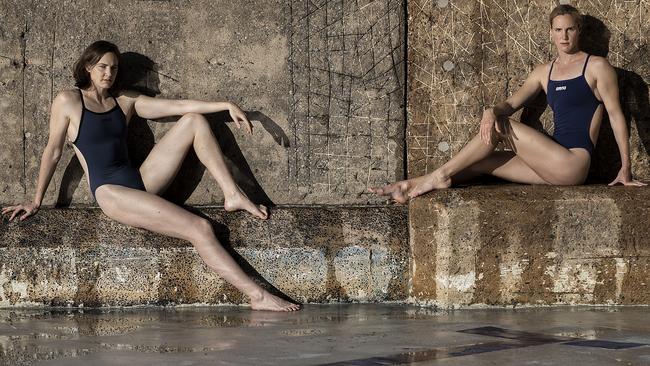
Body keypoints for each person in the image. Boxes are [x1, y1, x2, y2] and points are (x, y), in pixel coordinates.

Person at [1, 41, 300, 312]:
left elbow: (180, 107)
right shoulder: (68, 101)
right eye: (102, 67)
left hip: (139, 180)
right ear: (88, 67)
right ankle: (256, 296)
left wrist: (226, 105)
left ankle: (232, 195)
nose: (108, 73)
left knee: (194, 121)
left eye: (114, 68)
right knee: (199, 228)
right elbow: (53, 152)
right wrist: (37, 201)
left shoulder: (125, 101)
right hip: (111, 192)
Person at [370, 4, 646, 203]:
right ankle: (409, 186)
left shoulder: (596, 66)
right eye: (558, 30)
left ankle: (439, 176)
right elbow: (511, 103)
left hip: (573, 163)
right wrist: (492, 110)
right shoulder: (543, 72)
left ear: (579, 31)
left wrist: (625, 168)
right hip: (549, 163)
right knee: (483, 161)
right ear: (551, 33)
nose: (564, 37)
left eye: (570, 29)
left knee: (500, 127)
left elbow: (616, 115)